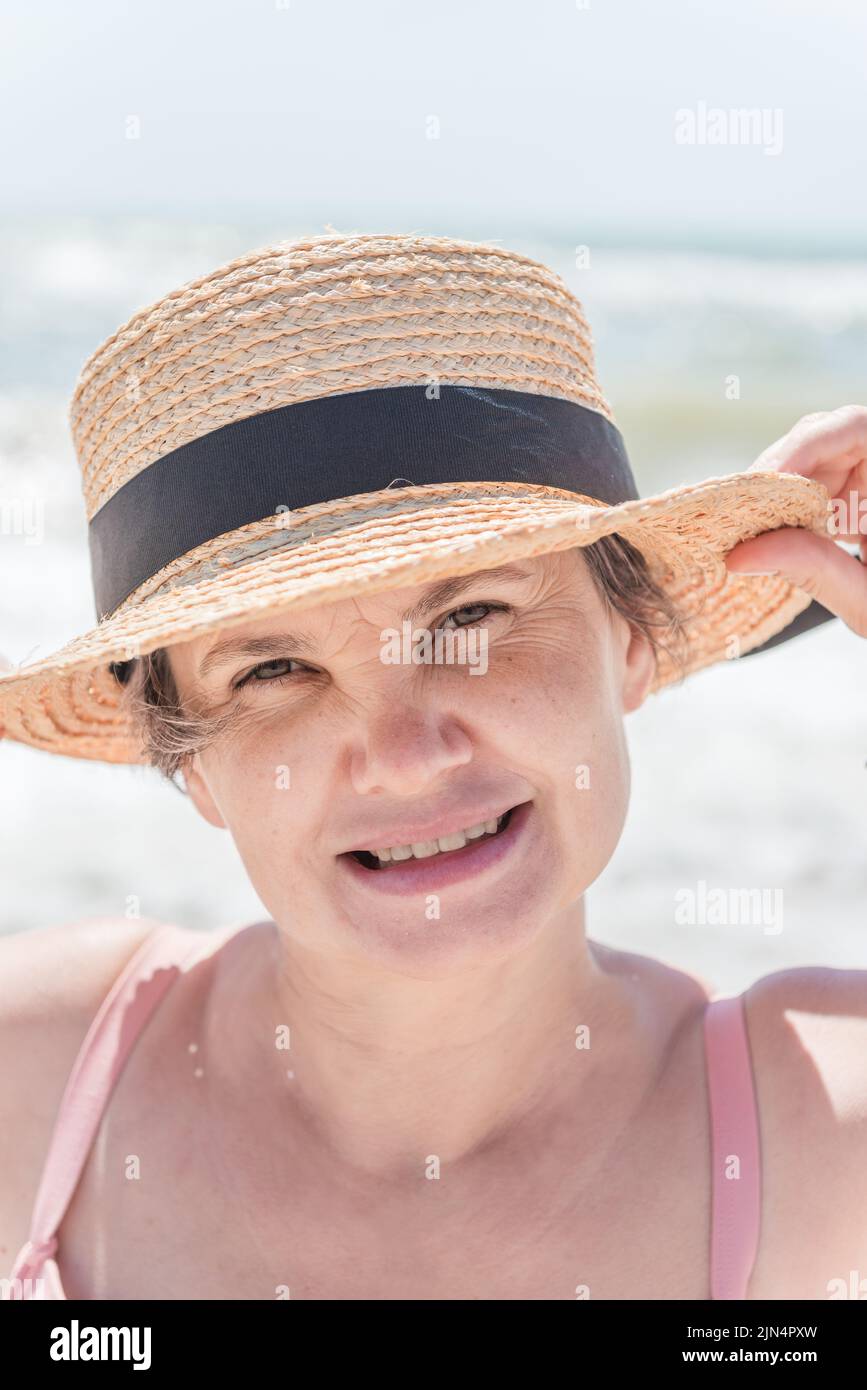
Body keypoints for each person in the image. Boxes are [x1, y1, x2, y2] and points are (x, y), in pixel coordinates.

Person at [1, 232, 865, 1301]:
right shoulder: (34, 1080)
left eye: (472, 617)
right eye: (273, 668)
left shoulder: (824, 1129)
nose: (407, 756)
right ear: (192, 767)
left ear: (632, 640)